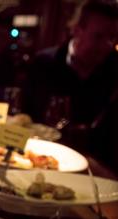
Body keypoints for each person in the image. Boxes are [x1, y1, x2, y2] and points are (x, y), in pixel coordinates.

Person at [22, 0, 117, 168]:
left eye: (112, 38)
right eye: (98, 36)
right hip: (38, 160)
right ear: (76, 30)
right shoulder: (43, 63)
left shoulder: (114, 71)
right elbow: (24, 115)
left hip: (94, 170)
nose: (107, 45)